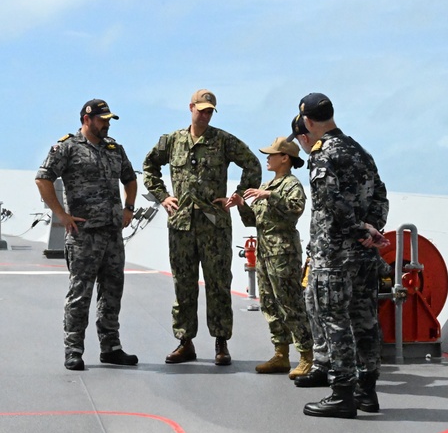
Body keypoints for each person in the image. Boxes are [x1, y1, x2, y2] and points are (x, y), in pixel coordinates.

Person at [143, 89, 262, 365]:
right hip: (182, 224)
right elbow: (149, 166)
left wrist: (239, 195)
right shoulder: (172, 141)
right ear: (191, 108)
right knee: (184, 283)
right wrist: (163, 196)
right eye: (202, 110)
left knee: (218, 284)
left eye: (210, 111)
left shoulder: (222, 141)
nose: (206, 115)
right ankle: (185, 342)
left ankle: (221, 343)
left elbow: (252, 164)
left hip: (214, 225)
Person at [292, 94, 389, 418]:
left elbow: (329, 203)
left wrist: (360, 230)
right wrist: (372, 229)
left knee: (334, 321)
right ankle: (367, 392)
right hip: (363, 257)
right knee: (365, 320)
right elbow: (380, 194)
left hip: (333, 255)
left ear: (308, 121)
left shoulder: (323, 155)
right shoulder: (359, 152)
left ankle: (342, 394)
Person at [36, 98, 140, 371]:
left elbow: (130, 178)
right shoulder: (67, 148)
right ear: (87, 119)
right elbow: (43, 178)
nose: (106, 124)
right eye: (102, 119)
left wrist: (129, 208)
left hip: (113, 235)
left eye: (108, 120)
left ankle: (111, 347)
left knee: (112, 293)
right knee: (80, 294)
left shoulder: (114, 148)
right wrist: (62, 215)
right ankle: (74, 350)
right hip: (84, 236)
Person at [229, 137, 314, 378]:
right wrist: (241, 205)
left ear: (285, 158)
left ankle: (307, 355)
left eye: (272, 154)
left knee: (290, 303)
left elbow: (295, 208)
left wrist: (269, 196)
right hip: (265, 252)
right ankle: (281, 354)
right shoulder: (269, 184)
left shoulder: (291, 185)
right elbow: (253, 221)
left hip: (283, 252)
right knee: (268, 302)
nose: (267, 158)